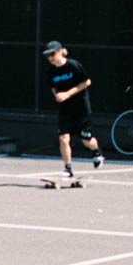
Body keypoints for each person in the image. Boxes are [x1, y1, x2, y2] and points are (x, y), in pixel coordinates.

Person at [43, 39, 105, 182]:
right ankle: (68, 168)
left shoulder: (73, 65)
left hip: (81, 108)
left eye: (52, 54)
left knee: (87, 140)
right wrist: (58, 96)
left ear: (60, 52)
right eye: (48, 56)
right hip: (65, 110)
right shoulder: (51, 71)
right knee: (63, 139)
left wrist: (68, 94)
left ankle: (97, 152)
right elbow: (53, 87)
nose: (50, 58)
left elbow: (87, 82)